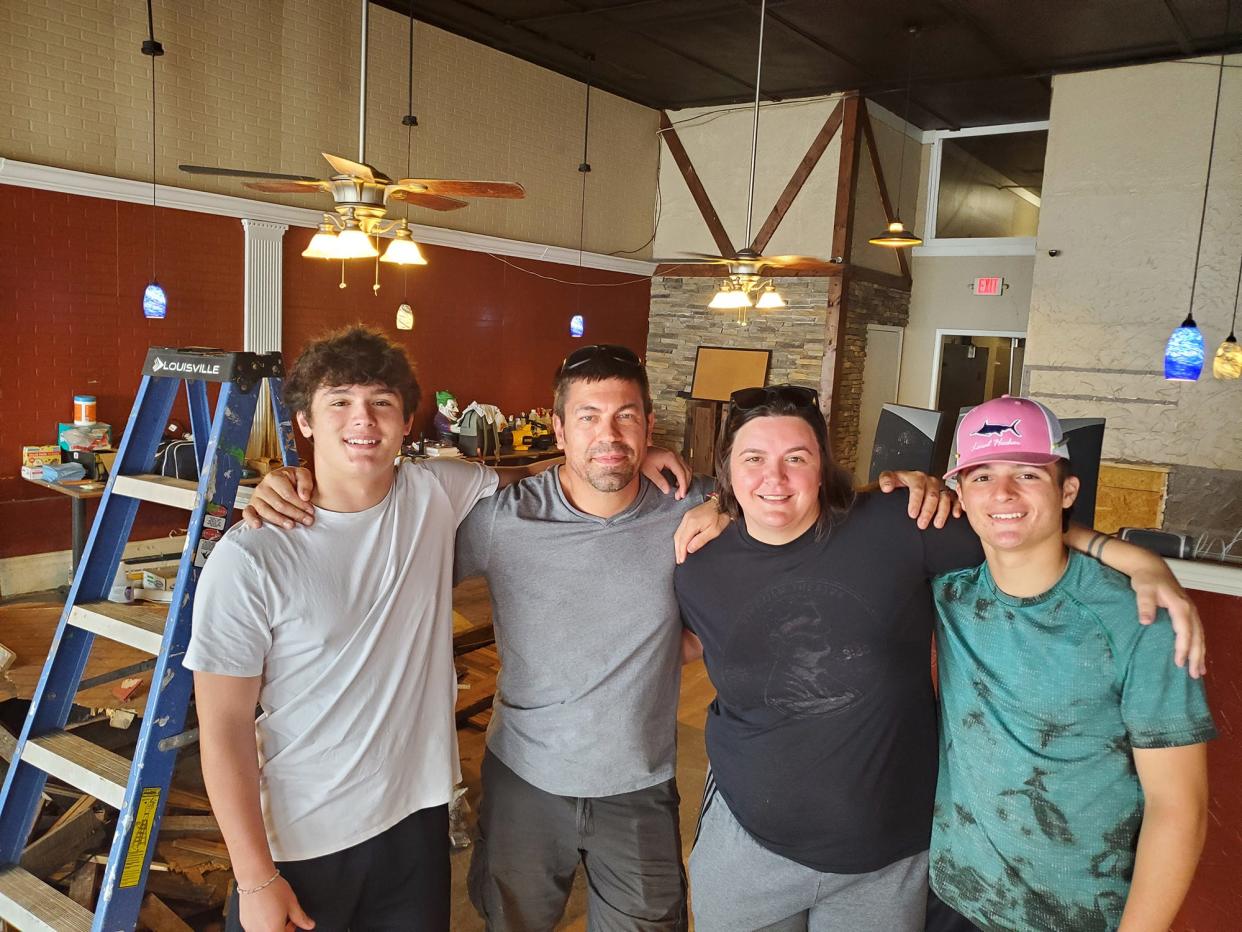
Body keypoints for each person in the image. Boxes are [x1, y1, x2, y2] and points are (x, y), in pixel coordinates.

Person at [243, 346, 952, 932]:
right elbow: (379, 526)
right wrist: (299, 483)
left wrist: (900, 487)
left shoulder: (696, 505)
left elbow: (780, 490)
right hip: (524, 780)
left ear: (650, 427)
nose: (607, 436)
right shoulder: (499, 517)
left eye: (625, 418)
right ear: (557, 427)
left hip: (639, 785)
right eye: (588, 417)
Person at [187, 328, 686, 932]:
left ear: (405, 421)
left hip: (416, 827)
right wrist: (255, 878)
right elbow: (222, 729)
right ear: (305, 421)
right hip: (303, 838)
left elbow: (545, 475)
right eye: (339, 401)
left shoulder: (434, 492)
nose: (362, 421)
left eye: (381, 403)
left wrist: (625, 451)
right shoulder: (251, 557)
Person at [672, 385, 1206, 932]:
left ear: (822, 465)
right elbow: (685, 644)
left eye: (797, 458)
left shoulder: (904, 527)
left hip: (900, 861)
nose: (775, 477)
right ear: (727, 468)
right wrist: (718, 505)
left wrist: (1130, 554)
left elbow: (1014, 526)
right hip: (773, 845)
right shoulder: (698, 565)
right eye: (753, 458)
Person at [930, 396, 1215, 932]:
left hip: (1079, 916)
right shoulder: (949, 588)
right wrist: (721, 507)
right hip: (952, 894)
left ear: (1067, 491)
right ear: (960, 496)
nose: (1003, 493)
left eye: (1028, 474)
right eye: (982, 476)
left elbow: (1179, 809)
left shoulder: (1140, 620)